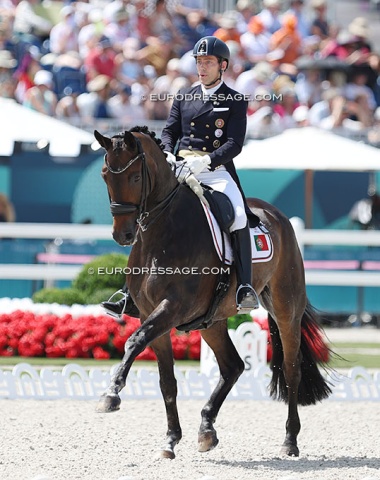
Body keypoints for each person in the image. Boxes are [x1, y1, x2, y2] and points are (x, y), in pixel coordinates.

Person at [102, 36, 260, 319]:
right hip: (179, 167)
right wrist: (167, 153)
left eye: (208, 62)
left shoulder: (235, 100)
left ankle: (245, 287)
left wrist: (207, 161)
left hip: (215, 170)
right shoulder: (184, 96)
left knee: (237, 215)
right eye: (199, 62)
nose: (202, 67)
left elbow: (235, 143)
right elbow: (169, 132)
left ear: (222, 66)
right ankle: (129, 291)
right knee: (147, 212)